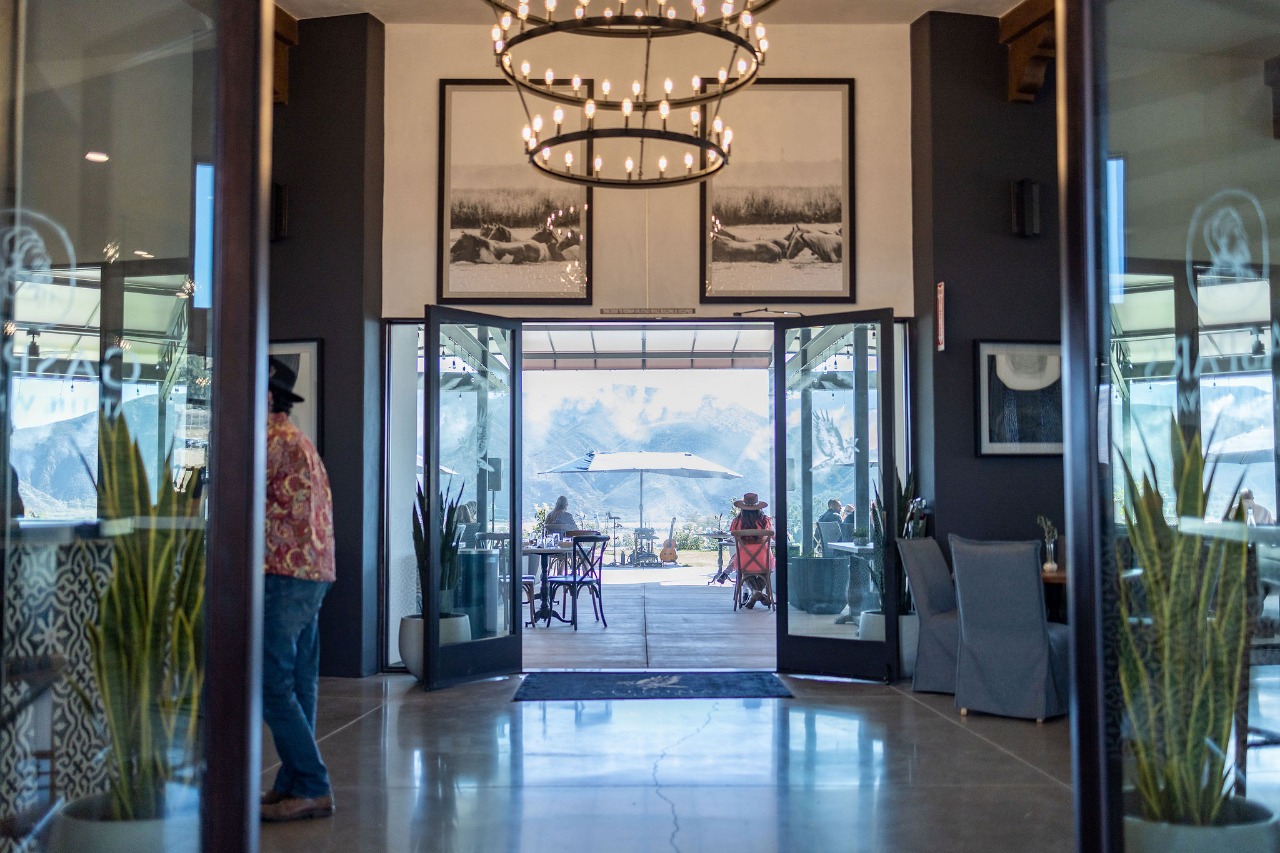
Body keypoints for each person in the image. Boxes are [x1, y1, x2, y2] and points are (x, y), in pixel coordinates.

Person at [260, 357, 337, 822]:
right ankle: (294, 782)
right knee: (301, 680)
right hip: (313, 572)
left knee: (270, 682)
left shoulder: (268, 439)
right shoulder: (295, 438)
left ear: (267, 396)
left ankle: (310, 783)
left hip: (283, 572)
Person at [723, 492, 775, 607]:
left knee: (745, 571)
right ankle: (757, 593)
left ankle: (755, 592)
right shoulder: (765, 521)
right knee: (767, 571)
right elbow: (774, 535)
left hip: (744, 560)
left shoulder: (736, 521)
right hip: (763, 560)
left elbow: (733, 535)